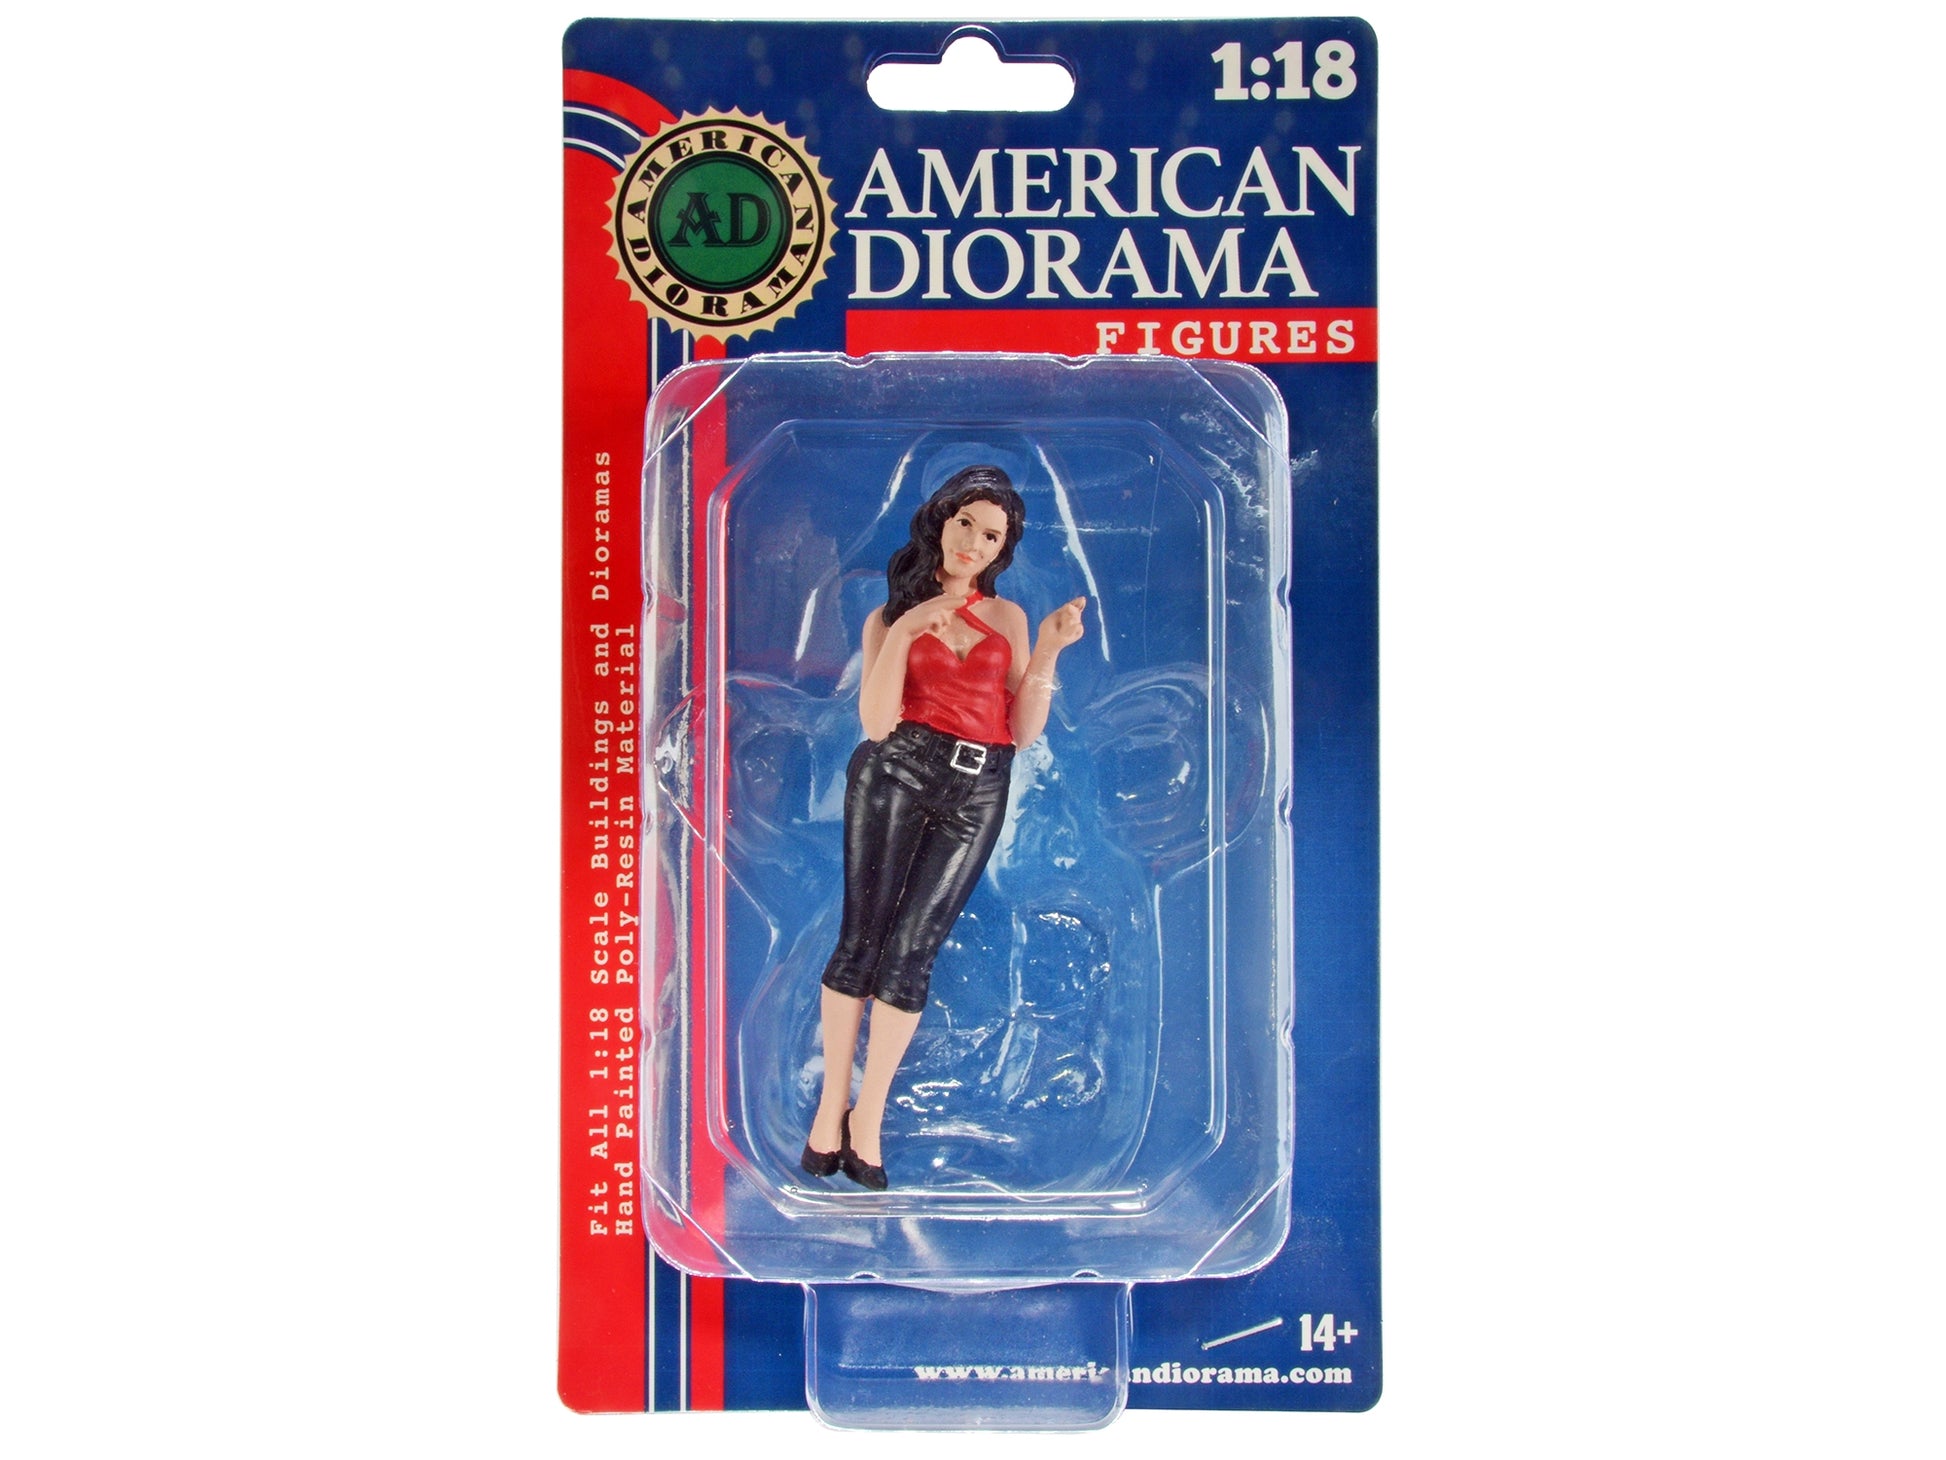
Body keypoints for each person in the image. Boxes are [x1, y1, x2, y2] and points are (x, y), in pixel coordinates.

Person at [801, 465, 1086, 1189]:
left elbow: (1023, 730)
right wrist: (904, 631)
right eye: (966, 524)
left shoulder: (1008, 618)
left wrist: (1048, 649)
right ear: (941, 522)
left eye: (991, 536)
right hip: (897, 768)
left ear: (1001, 550)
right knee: (861, 939)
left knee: (913, 951)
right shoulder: (887, 617)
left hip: (979, 785)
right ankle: (830, 1109)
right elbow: (875, 722)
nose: (974, 544)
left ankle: (868, 1117)